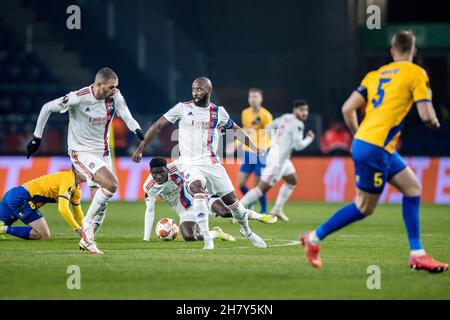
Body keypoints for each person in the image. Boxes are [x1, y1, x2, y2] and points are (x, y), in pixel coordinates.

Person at [300, 30, 448, 272]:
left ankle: (417, 253)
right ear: (413, 51)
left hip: (372, 144)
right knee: (363, 207)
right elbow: (426, 115)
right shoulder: (416, 73)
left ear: (392, 52)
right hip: (375, 147)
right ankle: (313, 238)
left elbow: (348, 108)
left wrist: (359, 135)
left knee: (412, 188)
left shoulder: (375, 75)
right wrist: (434, 122)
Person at [132, 77, 267, 250]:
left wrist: (255, 148)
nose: (195, 92)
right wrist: (141, 147)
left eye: (200, 89)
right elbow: (158, 125)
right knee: (197, 187)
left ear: (209, 91)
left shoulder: (219, 112)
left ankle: (247, 231)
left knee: (232, 203)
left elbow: (237, 131)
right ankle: (208, 241)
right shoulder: (182, 108)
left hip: (212, 164)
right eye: (194, 89)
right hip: (189, 163)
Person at [26, 67, 144, 254]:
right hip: (81, 152)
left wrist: (137, 130)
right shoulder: (78, 97)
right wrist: (36, 138)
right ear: (98, 85)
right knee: (112, 184)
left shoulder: (115, 96)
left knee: (102, 206)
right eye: (111, 87)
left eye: (116, 87)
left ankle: (87, 242)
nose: (114, 90)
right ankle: (86, 227)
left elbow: (126, 114)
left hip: (102, 152)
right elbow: (47, 108)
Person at [143, 157, 276, 241]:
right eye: (155, 173)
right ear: (150, 172)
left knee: (225, 212)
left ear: (167, 169)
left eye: (162, 172)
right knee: (190, 237)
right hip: (185, 210)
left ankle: (259, 216)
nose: (159, 176)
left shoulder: (178, 166)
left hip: (201, 195)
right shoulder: (149, 187)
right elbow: (150, 210)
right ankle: (217, 233)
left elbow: (195, 162)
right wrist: (146, 238)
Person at [240, 100, 315, 221]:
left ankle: (277, 209)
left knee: (292, 180)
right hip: (277, 161)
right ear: (295, 110)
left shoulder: (286, 117)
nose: (304, 113)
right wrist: (309, 138)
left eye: (306, 110)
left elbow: (269, 127)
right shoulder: (298, 124)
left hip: (282, 158)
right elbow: (298, 146)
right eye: (301, 110)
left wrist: (275, 141)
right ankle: (238, 208)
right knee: (261, 189)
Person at [0, 169, 86, 241]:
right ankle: (3, 229)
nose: (91, 173)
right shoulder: (68, 180)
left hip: (14, 194)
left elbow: (78, 212)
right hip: (21, 198)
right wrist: (77, 228)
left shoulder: (76, 189)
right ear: (77, 170)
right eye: (87, 170)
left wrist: (84, 230)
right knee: (43, 235)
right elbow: (63, 208)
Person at [235, 88, 273, 214]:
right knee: (241, 183)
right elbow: (244, 131)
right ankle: (250, 202)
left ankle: (263, 210)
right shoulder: (245, 113)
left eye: (256, 97)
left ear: (261, 99)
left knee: (257, 185)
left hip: (261, 153)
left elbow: (270, 134)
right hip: (248, 151)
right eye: (251, 97)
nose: (253, 99)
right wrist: (236, 143)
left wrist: (266, 147)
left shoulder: (266, 115)